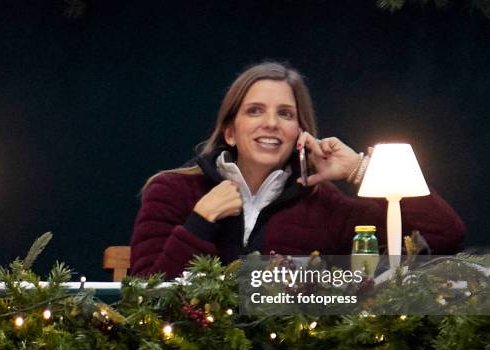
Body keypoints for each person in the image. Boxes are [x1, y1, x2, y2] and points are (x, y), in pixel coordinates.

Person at [130, 61, 465, 279]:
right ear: (230, 131)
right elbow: (142, 297)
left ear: (300, 135)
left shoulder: (327, 207)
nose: (272, 123)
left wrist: (359, 171)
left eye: (286, 114)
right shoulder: (171, 191)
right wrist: (199, 222)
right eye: (255, 111)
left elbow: (444, 235)